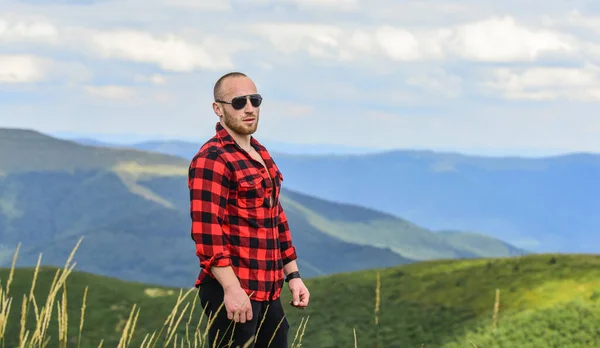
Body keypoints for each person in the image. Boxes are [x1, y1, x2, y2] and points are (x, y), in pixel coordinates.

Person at [188, 72, 310, 348]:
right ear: (218, 109)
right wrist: (231, 289)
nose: (249, 108)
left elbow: (275, 219)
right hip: (234, 290)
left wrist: (293, 276)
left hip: (267, 289)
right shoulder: (212, 159)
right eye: (239, 102)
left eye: (254, 100)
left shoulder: (260, 153)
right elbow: (207, 233)